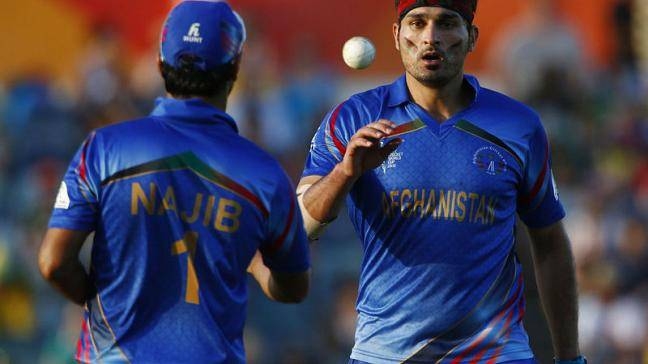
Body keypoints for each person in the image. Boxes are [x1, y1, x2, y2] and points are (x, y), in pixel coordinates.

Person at [297, 1, 585, 363]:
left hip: (496, 355)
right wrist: (345, 172)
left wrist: (570, 357)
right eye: (417, 23)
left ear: (471, 38)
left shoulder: (518, 126)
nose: (430, 38)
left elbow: (550, 243)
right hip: (387, 355)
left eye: (447, 24)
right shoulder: (353, 118)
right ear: (396, 36)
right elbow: (300, 228)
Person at [38, 1, 310, 363]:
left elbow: (53, 263)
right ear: (236, 68)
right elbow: (292, 287)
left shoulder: (103, 148)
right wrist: (256, 265)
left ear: (159, 63)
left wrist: (103, 309)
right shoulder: (265, 174)